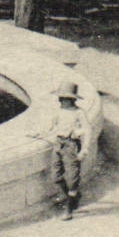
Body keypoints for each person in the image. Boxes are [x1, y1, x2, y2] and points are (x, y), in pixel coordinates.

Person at [29, 79, 91, 219]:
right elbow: (49, 126)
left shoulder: (79, 113)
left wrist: (84, 149)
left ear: (71, 99)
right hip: (59, 143)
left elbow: (87, 130)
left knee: (72, 178)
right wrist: (37, 133)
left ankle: (69, 209)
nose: (60, 101)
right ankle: (71, 197)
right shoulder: (58, 111)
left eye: (64, 98)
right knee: (56, 176)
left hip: (71, 145)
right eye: (60, 98)